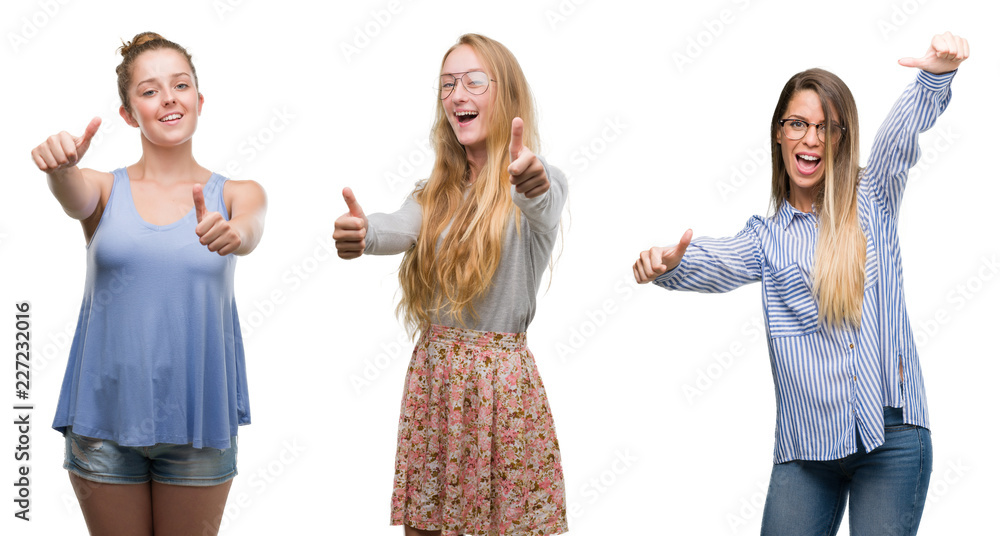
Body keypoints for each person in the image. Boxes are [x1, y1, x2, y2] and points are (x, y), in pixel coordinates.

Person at [633, 32, 968, 535]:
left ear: (840, 139)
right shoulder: (765, 239)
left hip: (893, 436)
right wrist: (668, 264)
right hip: (807, 449)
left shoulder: (871, 198)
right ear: (779, 134)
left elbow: (898, 140)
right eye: (798, 124)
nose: (810, 138)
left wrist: (934, 75)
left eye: (825, 128)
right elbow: (716, 257)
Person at [33, 32, 267, 536]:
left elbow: (249, 230)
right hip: (104, 421)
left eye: (180, 85)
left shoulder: (238, 193)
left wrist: (234, 233)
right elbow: (71, 194)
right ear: (127, 112)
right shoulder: (99, 186)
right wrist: (60, 168)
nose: (168, 99)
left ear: (199, 101)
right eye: (149, 90)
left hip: (200, 423)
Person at [334, 33, 568, 536]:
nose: (458, 94)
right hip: (434, 380)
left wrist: (530, 178)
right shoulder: (433, 192)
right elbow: (397, 225)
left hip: (500, 390)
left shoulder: (536, 180)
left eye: (474, 81)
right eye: (448, 84)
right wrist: (363, 232)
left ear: (505, 93)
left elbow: (542, 195)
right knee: (426, 526)